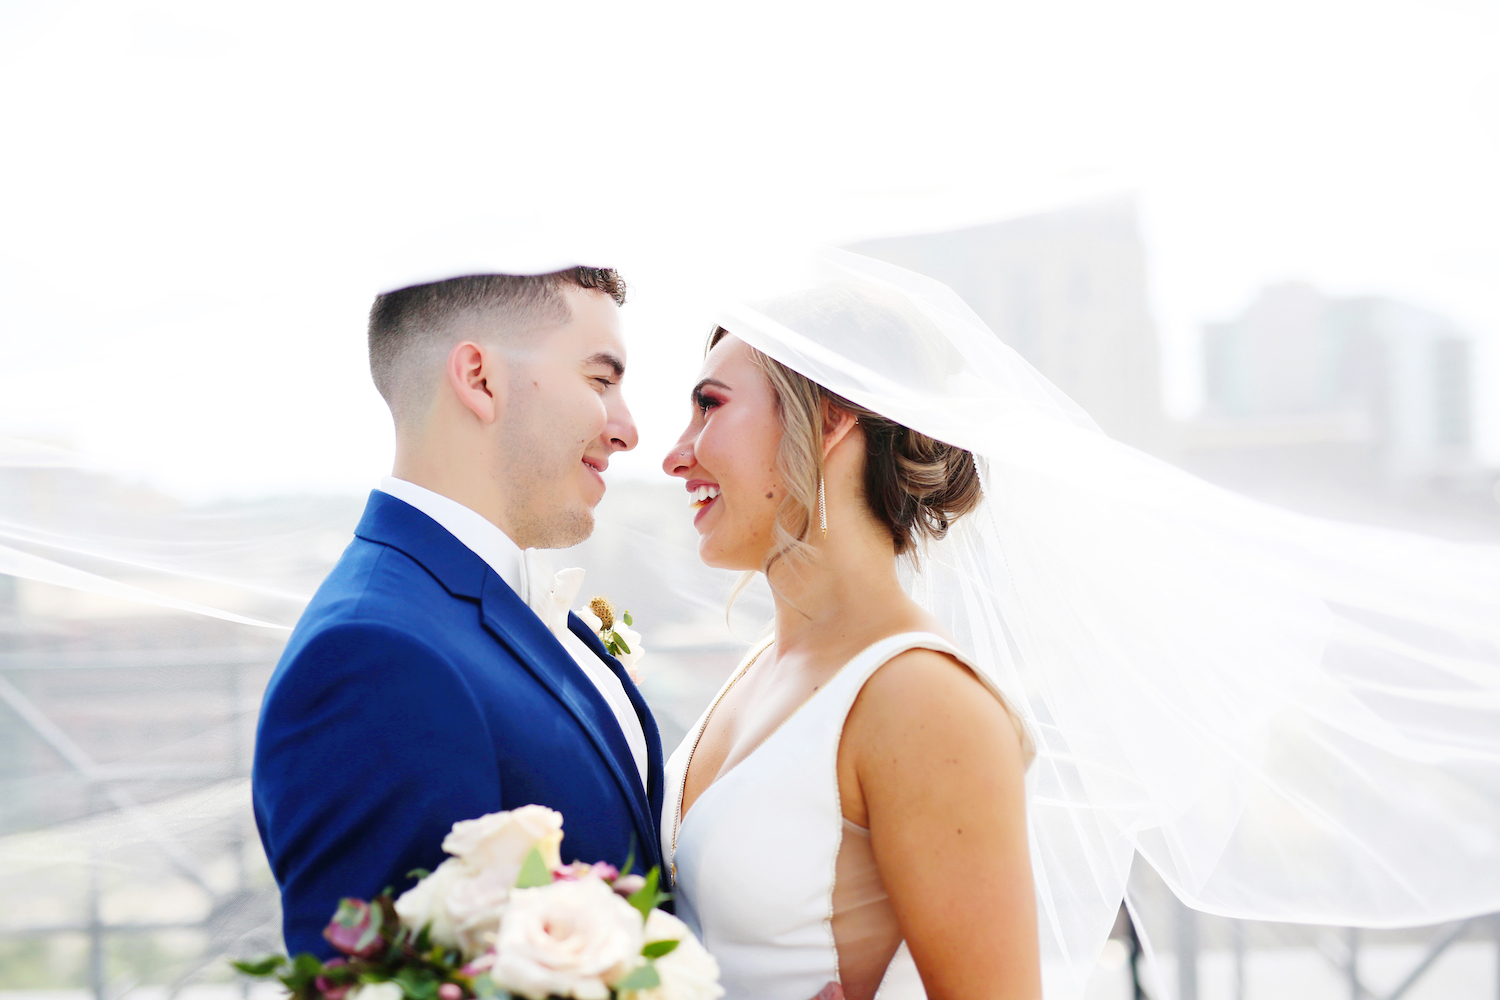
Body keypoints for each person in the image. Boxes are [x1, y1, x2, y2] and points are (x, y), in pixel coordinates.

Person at [658, 249, 1500, 1000]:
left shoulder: (922, 705)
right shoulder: (761, 667)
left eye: (709, 405)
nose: (676, 451)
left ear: (834, 415)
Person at [252, 267, 666, 957]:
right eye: (600, 380)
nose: (627, 430)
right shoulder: (373, 658)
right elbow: (375, 981)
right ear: (479, 378)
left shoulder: (486, 607)